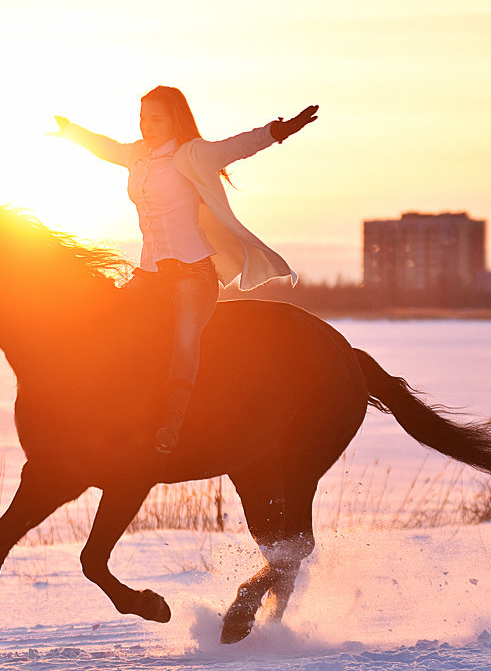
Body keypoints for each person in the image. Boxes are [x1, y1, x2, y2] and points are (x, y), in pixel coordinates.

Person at [52, 86, 317, 454]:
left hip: (193, 274)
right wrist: (71, 131)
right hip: (149, 275)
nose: (147, 125)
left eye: (156, 118)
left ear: (175, 118)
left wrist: (279, 131)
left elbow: (239, 145)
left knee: (185, 337)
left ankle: (171, 424)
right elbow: (104, 146)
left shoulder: (192, 155)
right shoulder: (137, 155)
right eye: (143, 118)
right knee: (103, 318)